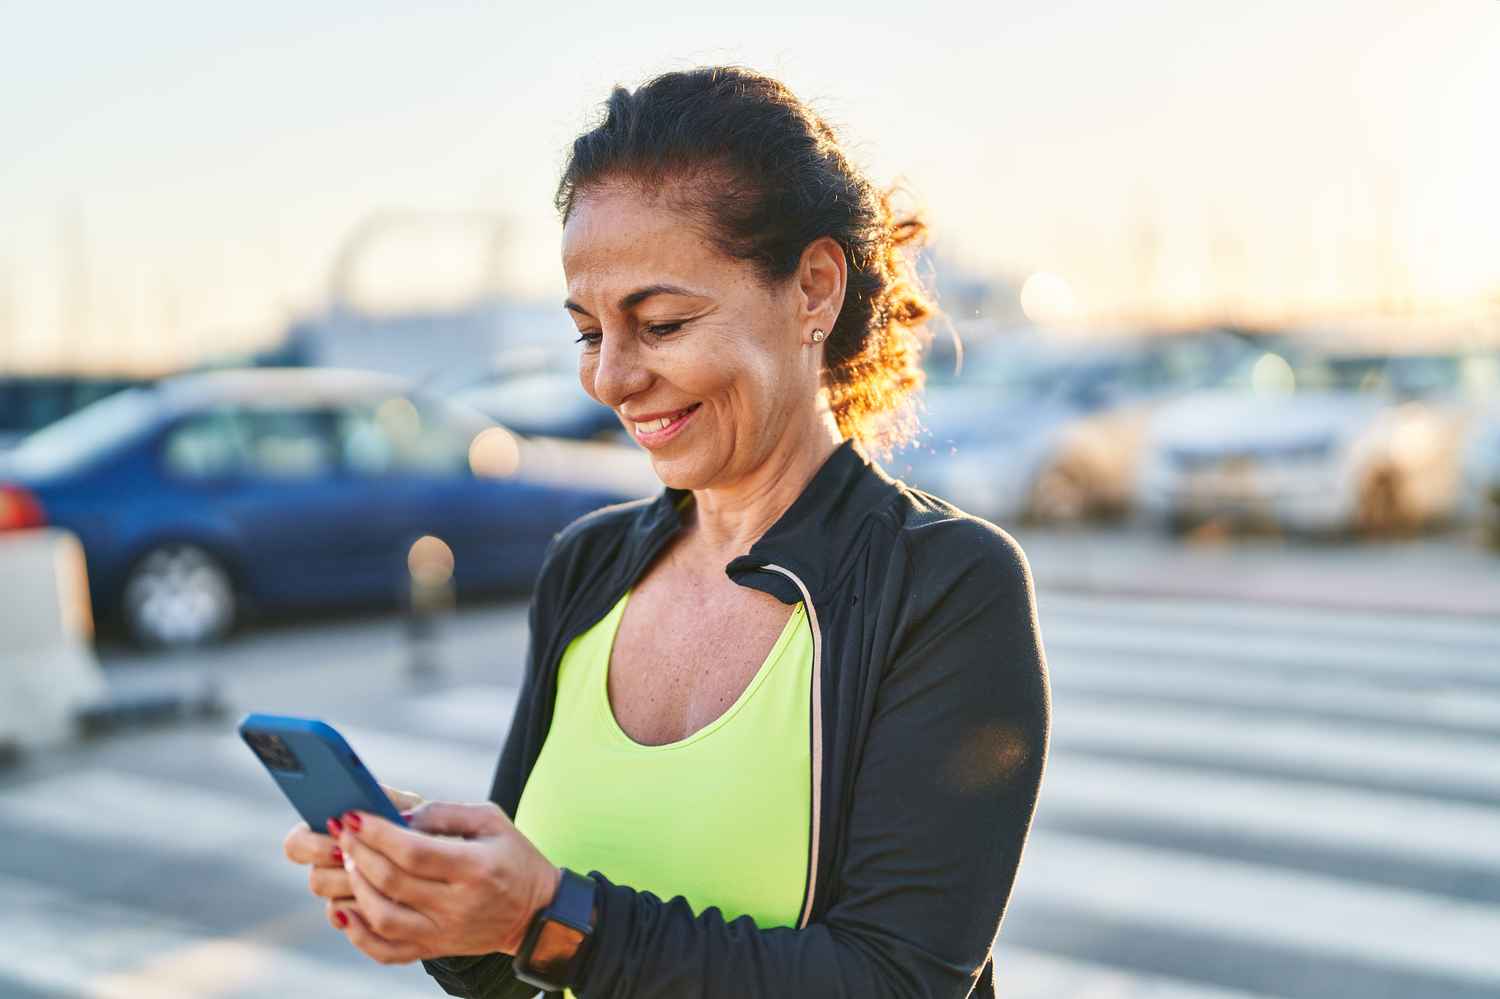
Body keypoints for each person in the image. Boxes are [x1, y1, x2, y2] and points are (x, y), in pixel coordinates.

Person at [282, 64, 1051, 998]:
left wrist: (548, 915)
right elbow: (515, 971)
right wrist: (449, 903)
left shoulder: (943, 583)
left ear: (813, 288)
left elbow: (894, 979)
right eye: (587, 332)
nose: (610, 378)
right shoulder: (589, 565)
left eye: (660, 321)